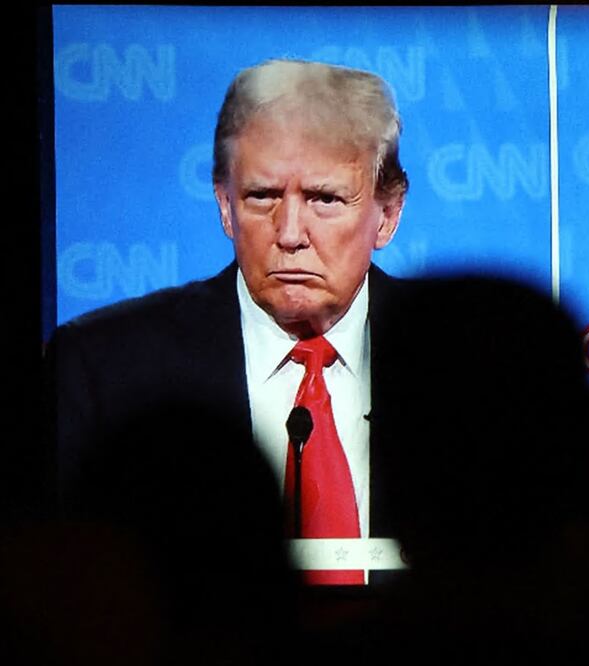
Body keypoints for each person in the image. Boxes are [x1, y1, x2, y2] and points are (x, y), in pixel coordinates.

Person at [46, 59, 409, 584]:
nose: (290, 233)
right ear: (224, 205)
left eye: (324, 199)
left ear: (388, 214)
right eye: (262, 197)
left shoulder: (467, 363)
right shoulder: (102, 369)